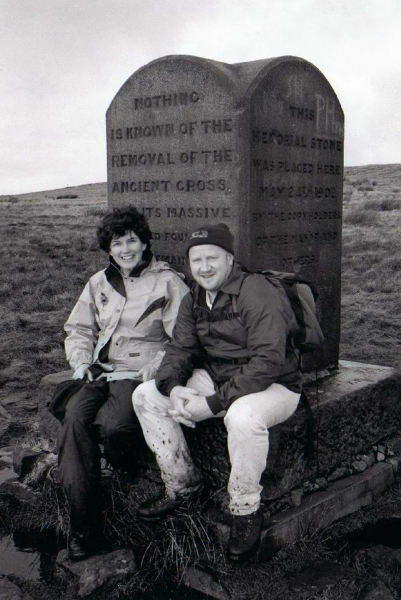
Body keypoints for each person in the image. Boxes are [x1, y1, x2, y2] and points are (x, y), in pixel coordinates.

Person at [132, 223, 303, 562]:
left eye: (212, 258)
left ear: (229, 259)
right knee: (146, 395)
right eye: (197, 260)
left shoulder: (256, 291)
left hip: (275, 385)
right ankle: (182, 486)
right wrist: (176, 388)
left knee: (242, 417)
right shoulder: (193, 297)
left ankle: (245, 509)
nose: (204, 267)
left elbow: (268, 361)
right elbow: (180, 351)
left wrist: (211, 404)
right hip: (219, 378)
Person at [55, 206, 189, 561]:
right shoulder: (98, 282)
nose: (125, 249)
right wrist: (81, 361)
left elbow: (183, 339)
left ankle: (124, 464)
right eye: (117, 243)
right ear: (109, 248)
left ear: (144, 243)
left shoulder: (168, 282)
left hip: (137, 374)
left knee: (114, 429)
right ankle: (84, 530)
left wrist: (159, 365)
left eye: (132, 240)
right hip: (99, 372)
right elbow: (79, 329)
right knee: (73, 422)